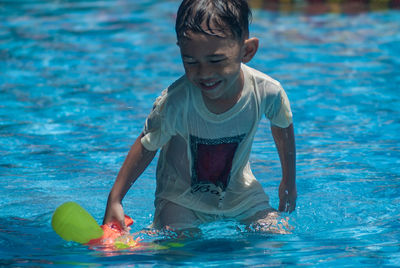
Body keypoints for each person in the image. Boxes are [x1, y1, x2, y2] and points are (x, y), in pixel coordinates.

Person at [103, 0, 296, 234]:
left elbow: (282, 124)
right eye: (190, 62)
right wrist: (115, 199)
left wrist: (288, 182)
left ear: (247, 51)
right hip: (180, 198)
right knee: (179, 247)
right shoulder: (176, 102)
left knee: (276, 236)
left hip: (241, 194)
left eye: (216, 60)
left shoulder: (266, 91)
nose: (204, 73)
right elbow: (146, 145)